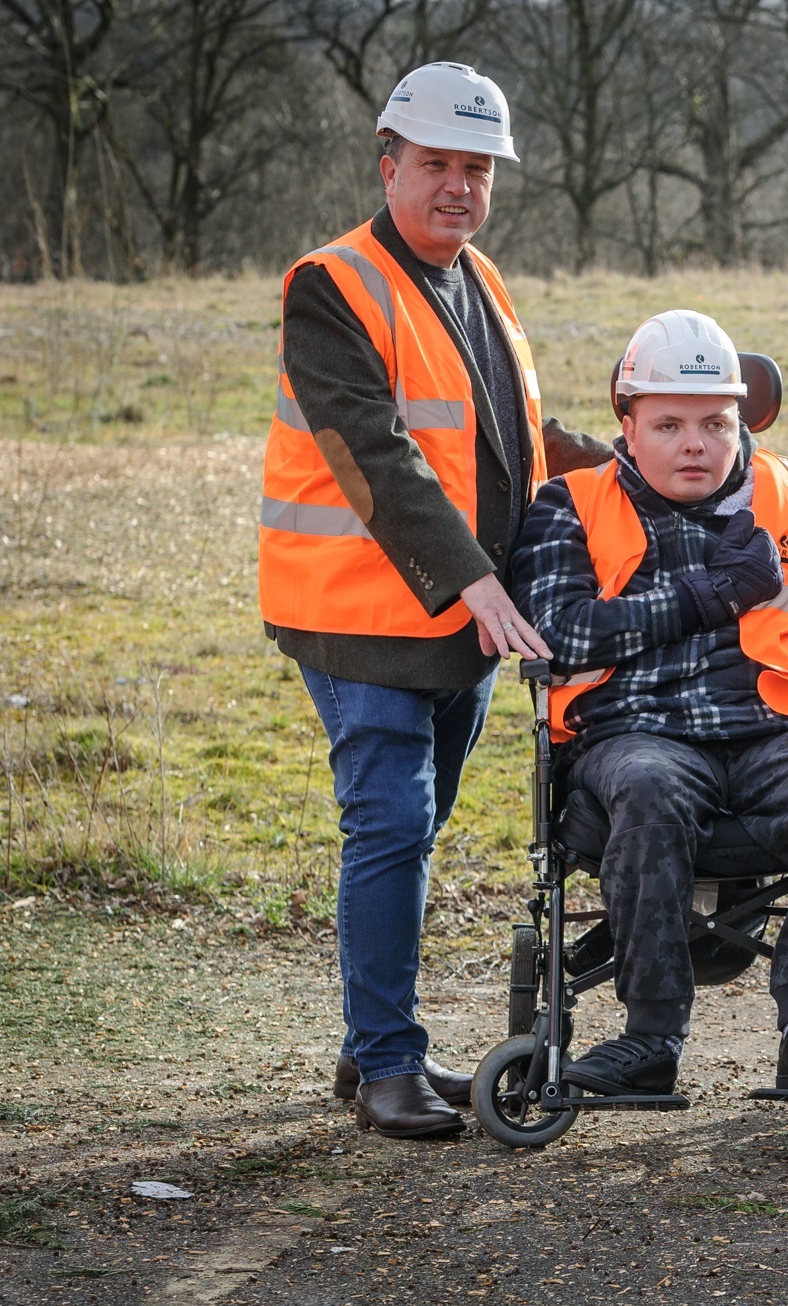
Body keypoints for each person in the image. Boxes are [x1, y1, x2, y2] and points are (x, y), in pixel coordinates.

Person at [260, 62, 609, 1139]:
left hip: (463, 619)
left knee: (414, 826)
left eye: (477, 168)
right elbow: (378, 454)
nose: (458, 185)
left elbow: (509, 435)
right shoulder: (329, 284)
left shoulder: (480, 279)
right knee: (394, 821)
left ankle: (373, 1044)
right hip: (361, 607)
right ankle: (389, 1068)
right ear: (389, 163)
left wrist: (636, 473)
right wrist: (472, 577)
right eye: (438, 165)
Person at [509, 310, 788, 1099]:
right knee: (649, 784)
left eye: (716, 423)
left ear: (741, 418)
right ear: (628, 420)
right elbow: (558, 633)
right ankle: (650, 1035)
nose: (695, 444)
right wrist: (706, 596)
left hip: (782, 735)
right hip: (636, 735)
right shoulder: (569, 505)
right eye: (670, 424)